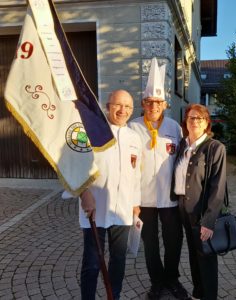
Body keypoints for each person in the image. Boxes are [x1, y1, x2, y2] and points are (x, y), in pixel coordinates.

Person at [129, 58, 190, 300]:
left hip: (170, 198)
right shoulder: (133, 128)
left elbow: (184, 161)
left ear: (164, 104)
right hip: (143, 199)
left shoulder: (175, 128)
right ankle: (156, 282)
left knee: (174, 241)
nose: (153, 105)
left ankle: (172, 279)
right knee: (151, 244)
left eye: (157, 102)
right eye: (149, 102)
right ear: (143, 103)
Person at [79, 89, 142, 300]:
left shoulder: (135, 137)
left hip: (123, 210)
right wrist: (83, 193)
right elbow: (75, 167)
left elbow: (137, 173)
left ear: (132, 110)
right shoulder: (91, 131)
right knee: (92, 262)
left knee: (119, 259)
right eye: (117, 105)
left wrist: (135, 203)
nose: (122, 110)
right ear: (108, 106)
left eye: (127, 106)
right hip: (95, 208)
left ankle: (113, 296)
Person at [171, 104, 226, 300]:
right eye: (191, 118)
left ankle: (209, 296)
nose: (194, 121)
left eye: (199, 118)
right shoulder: (183, 145)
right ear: (185, 122)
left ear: (206, 123)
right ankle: (198, 293)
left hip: (201, 212)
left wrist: (209, 221)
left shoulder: (215, 148)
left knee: (207, 256)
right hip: (182, 209)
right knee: (194, 254)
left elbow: (217, 188)